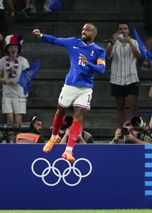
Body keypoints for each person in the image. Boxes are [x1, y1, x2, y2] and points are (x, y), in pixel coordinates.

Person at [32, 23, 106, 162]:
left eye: (87, 29)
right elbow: (56, 40)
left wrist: (88, 63)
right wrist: (41, 35)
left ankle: (69, 151)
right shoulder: (73, 42)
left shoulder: (98, 50)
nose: (83, 31)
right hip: (70, 84)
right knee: (61, 111)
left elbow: (101, 69)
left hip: (85, 88)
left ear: (94, 33)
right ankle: (54, 137)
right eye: (83, 28)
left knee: (78, 116)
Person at [106, 21, 141, 128]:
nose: (123, 31)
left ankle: (137, 129)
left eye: (125, 28)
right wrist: (112, 41)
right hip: (117, 79)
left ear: (128, 30)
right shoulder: (113, 43)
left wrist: (129, 42)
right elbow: (107, 55)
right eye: (120, 29)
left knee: (133, 105)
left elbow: (138, 56)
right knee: (120, 106)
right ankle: (121, 130)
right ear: (117, 31)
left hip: (132, 78)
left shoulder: (134, 42)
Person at [0, 33, 29, 126]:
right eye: (10, 47)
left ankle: (17, 139)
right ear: (7, 49)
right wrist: (5, 81)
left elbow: (28, 77)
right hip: (7, 94)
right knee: (9, 120)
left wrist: (21, 81)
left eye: (15, 47)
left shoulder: (24, 61)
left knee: (18, 121)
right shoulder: (2, 60)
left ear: (18, 49)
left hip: (19, 94)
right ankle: (9, 139)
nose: (13, 49)